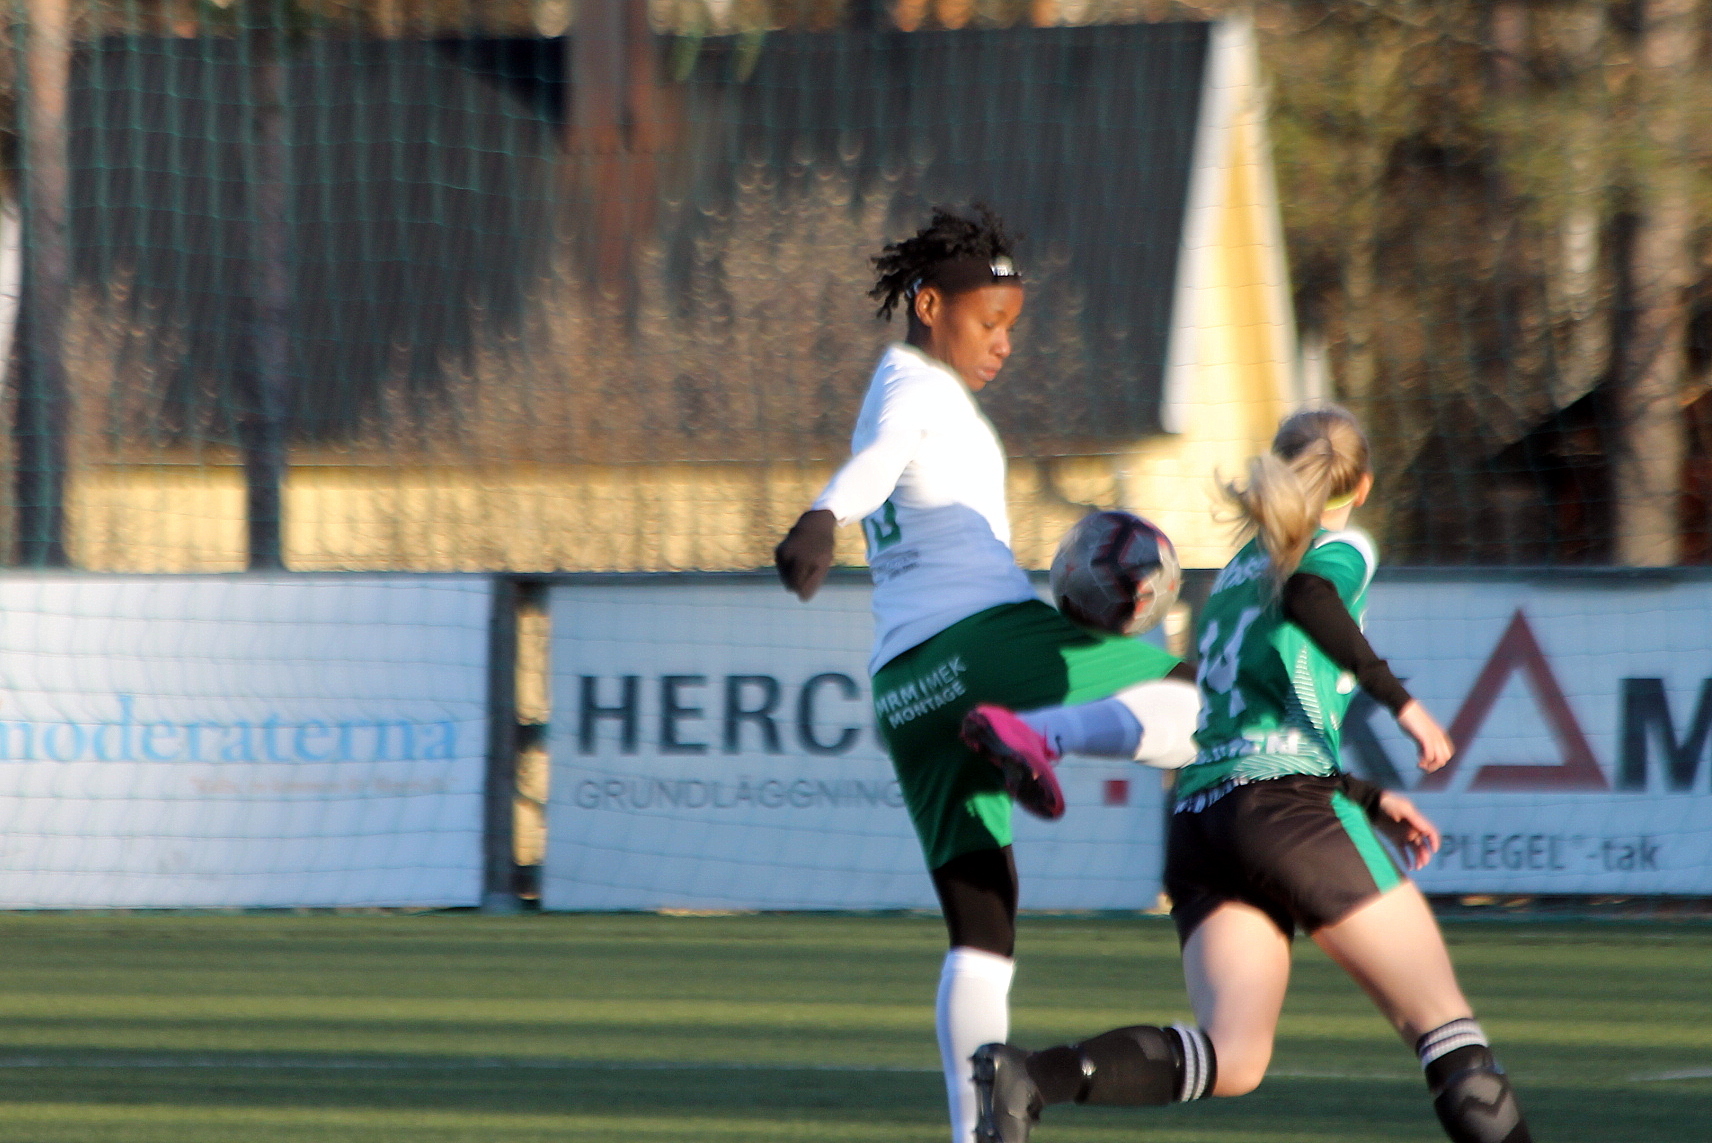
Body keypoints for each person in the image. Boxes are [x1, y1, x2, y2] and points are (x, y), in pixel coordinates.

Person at [965, 406, 1536, 1143]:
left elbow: (1246, 717)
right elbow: (1309, 598)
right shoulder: (1340, 546)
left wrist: (1364, 795)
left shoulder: (1238, 570)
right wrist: (1405, 705)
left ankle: (1032, 1078)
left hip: (1204, 818)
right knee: (1446, 1030)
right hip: (1287, 808)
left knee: (1232, 1056)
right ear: (1361, 486)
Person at [773, 205, 1197, 1143]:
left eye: (1012, 324)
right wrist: (823, 516)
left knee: (983, 925)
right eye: (989, 320)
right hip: (982, 646)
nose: (1004, 341)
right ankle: (1039, 734)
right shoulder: (914, 383)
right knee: (1196, 699)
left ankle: (977, 1133)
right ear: (929, 306)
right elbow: (876, 462)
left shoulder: (911, 390)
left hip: (907, 688)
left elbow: (887, 463)